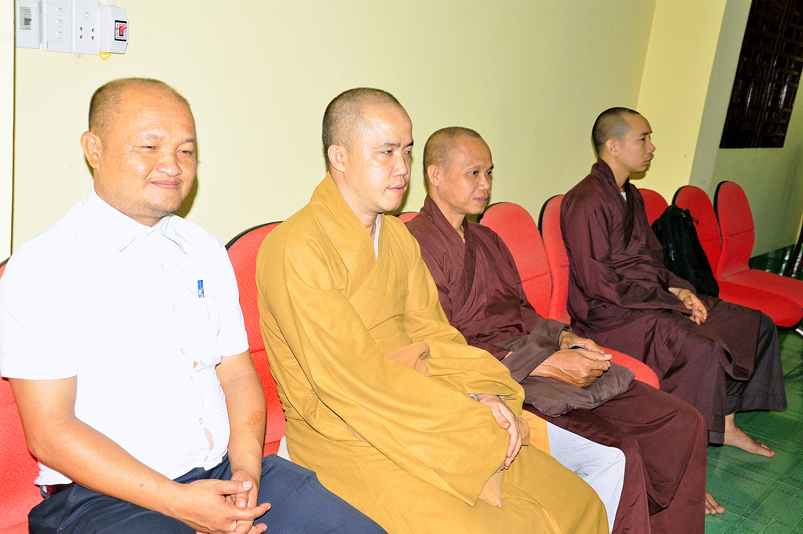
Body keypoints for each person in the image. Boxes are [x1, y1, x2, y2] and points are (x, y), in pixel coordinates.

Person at [0, 78, 384, 534]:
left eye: (186, 150)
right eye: (149, 146)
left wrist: (246, 473)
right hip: (102, 500)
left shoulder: (202, 249)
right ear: (94, 149)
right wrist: (179, 503)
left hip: (225, 472)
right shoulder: (45, 265)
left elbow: (237, 374)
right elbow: (50, 432)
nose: (172, 165)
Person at [255, 88, 608, 534]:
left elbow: (435, 335)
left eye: (406, 150)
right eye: (386, 152)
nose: (403, 168)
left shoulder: (397, 239)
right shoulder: (296, 247)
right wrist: (467, 414)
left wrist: (487, 391)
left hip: (431, 408)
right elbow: (349, 380)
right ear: (339, 156)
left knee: (578, 503)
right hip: (349, 432)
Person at [406, 126, 707, 534]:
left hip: (537, 351)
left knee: (682, 419)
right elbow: (440, 343)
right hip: (498, 376)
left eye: (489, 173)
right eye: (473, 173)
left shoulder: (488, 239)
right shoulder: (413, 245)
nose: (486, 185)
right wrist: (545, 363)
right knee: (621, 450)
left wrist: (566, 337)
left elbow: (523, 311)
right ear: (435, 175)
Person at [561, 108, 788, 514]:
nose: (652, 147)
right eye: (643, 139)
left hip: (647, 300)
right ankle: (684, 472)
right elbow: (598, 284)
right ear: (613, 146)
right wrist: (669, 301)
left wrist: (680, 289)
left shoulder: (631, 196)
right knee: (700, 349)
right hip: (610, 316)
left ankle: (727, 424)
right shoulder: (585, 201)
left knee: (753, 324)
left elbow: (652, 259)